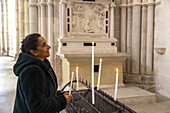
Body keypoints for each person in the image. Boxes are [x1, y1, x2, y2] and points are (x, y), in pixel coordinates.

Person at [13, 33, 73, 113]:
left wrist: (60, 95)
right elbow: (37, 107)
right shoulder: (32, 71)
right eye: (43, 45)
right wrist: (62, 100)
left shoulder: (42, 65)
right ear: (34, 52)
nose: (49, 46)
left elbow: (43, 93)